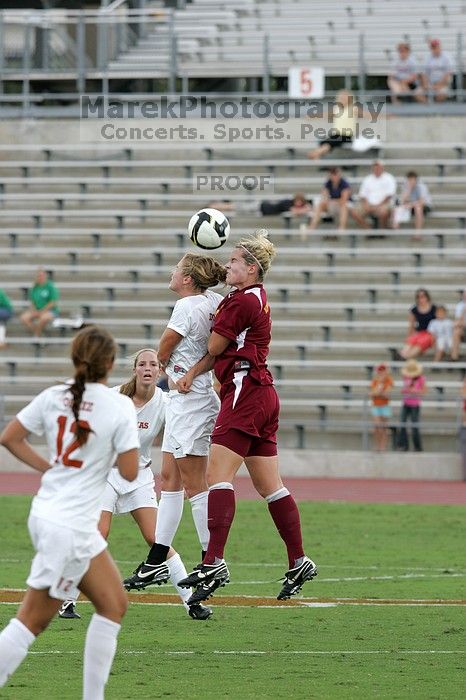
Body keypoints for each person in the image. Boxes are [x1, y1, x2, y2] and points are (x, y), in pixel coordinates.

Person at [175, 230, 318, 603]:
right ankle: (298, 559)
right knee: (271, 486)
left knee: (216, 476)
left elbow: (215, 345)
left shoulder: (241, 301)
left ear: (251, 268)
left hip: (245, 391)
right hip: (262, 392)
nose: (228, 265)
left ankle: (213, 560)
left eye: (235, 261)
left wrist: (209, 313)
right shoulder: (249, 296)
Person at [0, 325, 140, 697]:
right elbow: (130, 472)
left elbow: (10, 437)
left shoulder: (53, 395)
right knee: (31, 620)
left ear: (75, 358)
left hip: (48, 513)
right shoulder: (118, 404)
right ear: (111, 364)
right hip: (71, 525)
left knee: (113, 604)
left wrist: (51, 467)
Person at [59, 348, 212, 622]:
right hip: (105, 474)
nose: (148, 369)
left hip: (139, 477)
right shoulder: (115, 397)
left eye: (153, 364)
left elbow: (181, 431)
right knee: (98, 534)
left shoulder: (166, 402)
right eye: (142, 364)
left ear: (160, 371)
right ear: (135, 370)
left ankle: (191, 602)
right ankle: (66, 599)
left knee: (158, 540)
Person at [122, 253, 226, 594]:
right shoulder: (213, 299)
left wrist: (172, 372)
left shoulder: (185, 307)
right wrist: (195, 371)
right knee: (169, 480)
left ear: (187, 279)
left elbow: (162, 351)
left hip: (192, 403)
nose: (172, 273)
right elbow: (215, 350)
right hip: (188, 400)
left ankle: (211, 562)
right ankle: (155, 560)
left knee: (195, 486)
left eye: (177, 269)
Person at [307, 90, 359, 159]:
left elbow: (365, 114)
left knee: (330, 143)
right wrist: (313, 116)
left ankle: (316, 153)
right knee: (323, 142)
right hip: (336, 134)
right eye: (341, 98)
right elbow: (326, 114)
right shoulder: (337, 109)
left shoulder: (353, 109)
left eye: (345, 98)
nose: (342, 100)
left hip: (346, 135)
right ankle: (318, 155)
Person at [352, 160, 397, 230]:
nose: (377, 169)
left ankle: (382, 230)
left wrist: (378, 205)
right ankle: (368, 229)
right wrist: (366, 204)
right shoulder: (367, 179)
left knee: (383, 212)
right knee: (354, 212)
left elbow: (389, 196)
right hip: (369, 204)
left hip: (384, 204)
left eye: (379, 167)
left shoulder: (389, 178)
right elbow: (363, 195)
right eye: (375, 167)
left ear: (382, 168)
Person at [308, 167, 352, 232]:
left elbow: (343, 200)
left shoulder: (344, 184)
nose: (334, 176)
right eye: (332, 174)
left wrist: (331, 201)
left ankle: (342, 227)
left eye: (335, 174)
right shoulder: (328, 183)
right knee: (320, 205)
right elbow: (324, 197)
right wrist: (328, 201)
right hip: (333, 204)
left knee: (344, 207)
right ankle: (312, 226)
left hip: (344, 205)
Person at [398, 288, 437, 360]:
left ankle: (404, 357)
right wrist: (409, 336)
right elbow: (411, 325)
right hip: (420, 332)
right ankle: (402, 355)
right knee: (411, 341)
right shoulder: (414, 309)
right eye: (418, 297)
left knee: (420, 343)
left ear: (427, 297)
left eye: (423, 296)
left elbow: (438, 323)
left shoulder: (434, 308)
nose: (421, 299)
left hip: (430, 333)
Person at [397, 359, 427, 452]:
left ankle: (417, 447)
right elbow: (402, 390)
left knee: (414, 426)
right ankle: (403, 446)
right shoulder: (406, 378)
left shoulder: (421, 378)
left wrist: (416, 391)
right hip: (406, 403)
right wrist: (406, 390)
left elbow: (424, 391)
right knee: (402, 424)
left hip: (415, 404)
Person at [20, 268, 60, 337]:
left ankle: (37, 335)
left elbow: (52, 302)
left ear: (45, 276)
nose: (40, 277)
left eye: (41, 275)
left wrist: (42, 311)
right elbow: (33, 301)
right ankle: (38, 332)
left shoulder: (50, 286)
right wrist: (34, 310)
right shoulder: (35, 287)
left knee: (43, 318)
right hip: (38, 310)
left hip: (50, 311)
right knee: (24, 318)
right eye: (38, 276)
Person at [392, 171, 432, 236]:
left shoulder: (421, 186)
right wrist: (409, 189)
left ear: (416, 179)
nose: (410, 181)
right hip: (412, 206)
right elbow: (402, 201)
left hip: (425, 206)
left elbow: (422, 201)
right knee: (397, 207)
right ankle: (395, 226)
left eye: (412, 179)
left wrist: (411, 205)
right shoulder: (405, 186)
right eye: (409, 180)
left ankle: (418, 233)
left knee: (418, 208)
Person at [417, 39, 454, 103]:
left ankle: (436, 108)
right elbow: (423, 73)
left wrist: (439, 85)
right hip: (430, 83)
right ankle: (429, 107)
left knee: (442, 94)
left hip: (443, 83)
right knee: (417, 93)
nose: (435, 49)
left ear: (439, 47)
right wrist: (426, 84)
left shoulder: (447, 56)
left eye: (436, 47)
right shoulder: (428, 57)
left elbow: (448, 73)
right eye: (433, 47)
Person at [369, 363, 394, 452]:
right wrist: (380, 387)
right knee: (377, 426)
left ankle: (383, 446)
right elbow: (372, 393)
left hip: (385, 406)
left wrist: (379, 391)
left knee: (384, 427)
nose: (381, 372)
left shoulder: (389, 380)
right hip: (376, 405)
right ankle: (377, 445)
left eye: (383, 370)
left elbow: (386, 394)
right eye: (380, 370)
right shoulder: (375, 381)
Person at [451, 289, 466, 361]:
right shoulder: (460, 305)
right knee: (456, 331)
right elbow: (457, 322)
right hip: (463, 329)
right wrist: (463, 312)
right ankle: (454, 358)